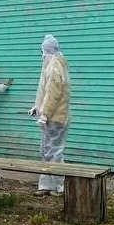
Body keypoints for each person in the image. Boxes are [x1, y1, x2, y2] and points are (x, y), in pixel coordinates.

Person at [29, 34, 71, 196]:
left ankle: (61, 186)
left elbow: (54, 93)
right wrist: (37, 107)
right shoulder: (50, 64)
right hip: (50, 115)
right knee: (46, 151)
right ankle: (46, 185)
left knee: (54, 152)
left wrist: (44, 113)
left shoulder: (55, 66)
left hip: (56, 117)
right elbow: (45, 91)